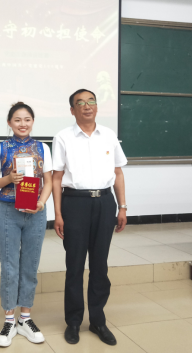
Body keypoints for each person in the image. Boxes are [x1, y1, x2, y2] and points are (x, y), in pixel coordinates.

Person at [52, 89, 128, 346]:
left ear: (96, 106)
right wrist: (58, 213)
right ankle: (73, 322)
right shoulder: (63, 137)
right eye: (80, 103)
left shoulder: (109, 135)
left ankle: (97, 320)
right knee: (74, 265)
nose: (87, 106)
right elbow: (56, 178)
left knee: (100, 265)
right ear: (72, 110)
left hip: (105, 202)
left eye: (91, 101)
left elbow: (118, 173)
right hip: (75, 203)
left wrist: (122, 207)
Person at [0, 102, 53, 347]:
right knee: (9, 265)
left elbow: (48, 181)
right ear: (9, 123)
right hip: (8, 211)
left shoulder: (42, 148)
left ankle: (25, 318)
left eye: (27, 119)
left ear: (33, 122)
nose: (22, 124)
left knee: (30, 264)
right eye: (17, 120)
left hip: (36, 212)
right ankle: (9, 320)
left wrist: (41, 203)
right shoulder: (0, 148)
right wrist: (9, 178)